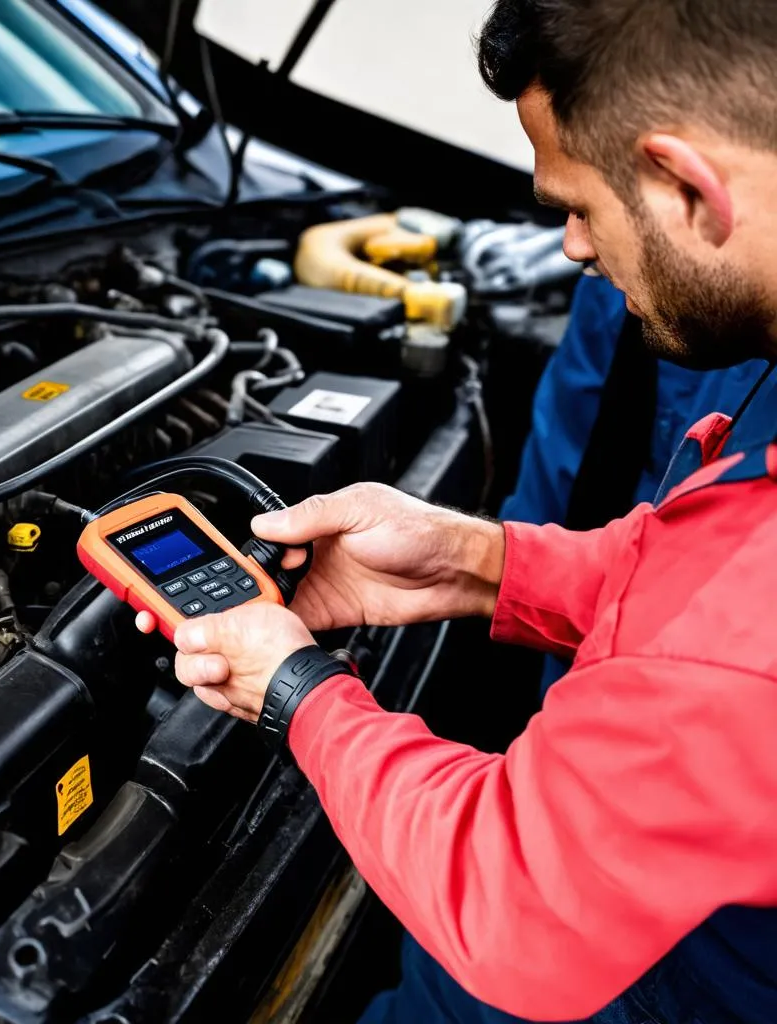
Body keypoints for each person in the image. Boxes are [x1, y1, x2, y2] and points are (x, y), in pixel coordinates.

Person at [137, 1, 777, 1020]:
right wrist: (477, 560)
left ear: (686, 186)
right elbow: (684, 575)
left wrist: (294, 686)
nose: (569, 247)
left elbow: (512, 898)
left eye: (575, 204)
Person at [501, 273, 768, 697]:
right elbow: (563, 457)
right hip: (584, 630)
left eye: (586, 214)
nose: (574, 248)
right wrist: (490, 560)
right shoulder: (615, 283)